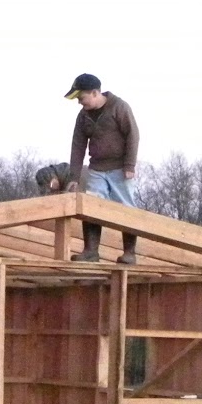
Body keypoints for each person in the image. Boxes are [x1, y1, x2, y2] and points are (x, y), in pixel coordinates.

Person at [63, 73, 140, 264]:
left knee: (126, 209)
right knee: (91, 206)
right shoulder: (83, 116)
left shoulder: (119, 107)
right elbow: (78, 146)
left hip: (120, 168)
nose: (79, 102)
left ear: (95, 93)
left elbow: (133, 135)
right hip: (97, 168)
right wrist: (74, 177)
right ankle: (91, 252)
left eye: (81, 98)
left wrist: (129, 164)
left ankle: (129, 253)